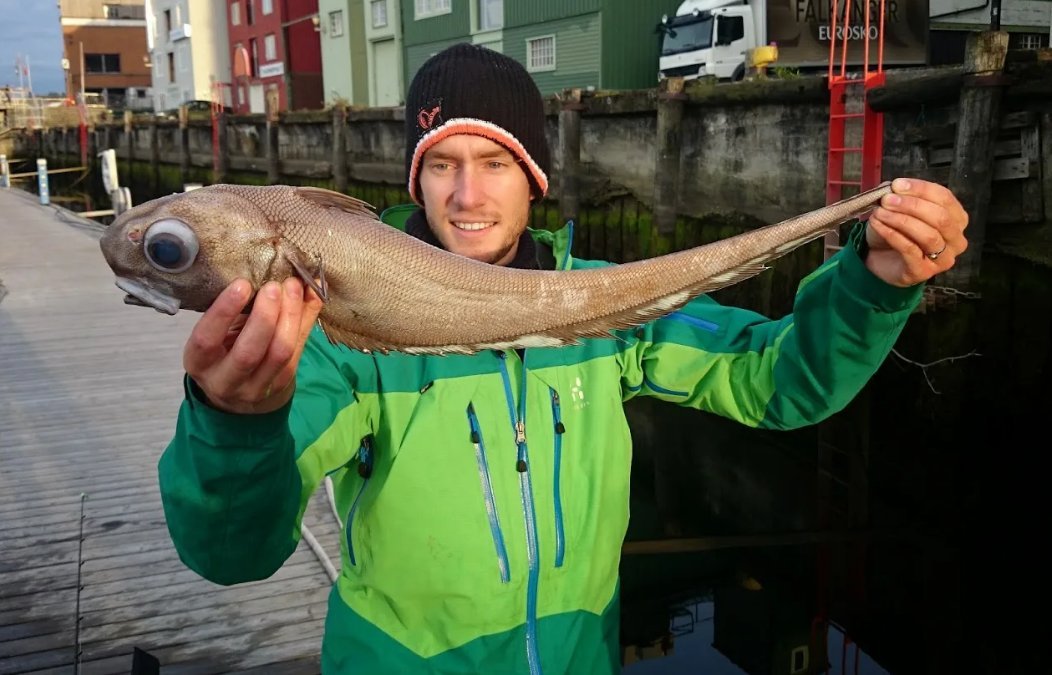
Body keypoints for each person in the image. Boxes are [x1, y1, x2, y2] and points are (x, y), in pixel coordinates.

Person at [158, 44, 969, 674]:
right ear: (416, 175)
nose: (467, 196)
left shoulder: (606, 307)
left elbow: (778, 382)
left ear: (533, 175)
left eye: (495, 162)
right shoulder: (342, 337)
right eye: (441, 164)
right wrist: (234, 424)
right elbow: (234, 553)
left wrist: (871, 284)